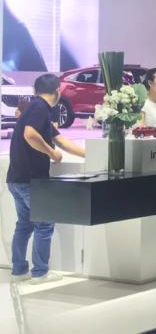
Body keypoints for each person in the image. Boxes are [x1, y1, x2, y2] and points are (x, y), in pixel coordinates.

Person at [6, 73, 86, 284]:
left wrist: (90, 153)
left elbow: (62, 142)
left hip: (17, 179)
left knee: (24, 225)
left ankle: (18, 270)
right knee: (44, 224)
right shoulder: (39, 107)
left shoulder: (36, 109)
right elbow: (30, 134)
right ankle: (40, 272)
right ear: (58, 91)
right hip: (31, 180)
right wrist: (51, 153)